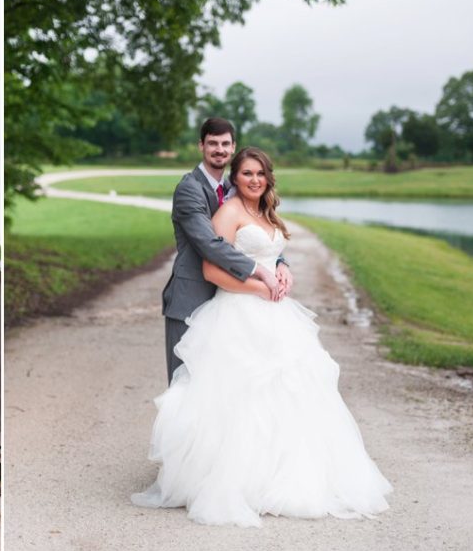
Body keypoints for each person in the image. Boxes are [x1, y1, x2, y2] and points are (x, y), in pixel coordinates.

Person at [133, 147, 392, 527]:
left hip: (277, 315)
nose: (255, 180)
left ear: (268, 179)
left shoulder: (267, 214)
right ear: (235, 178)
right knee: (239, 396)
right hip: (238, 313)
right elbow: (211, 270)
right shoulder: (229, 211)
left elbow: (273, 255)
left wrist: (284, 272)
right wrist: (256, 289)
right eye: (247, 173)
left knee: (291, 392)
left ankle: (284, 476)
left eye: (261, 174)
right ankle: (234, 480)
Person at [161, 117, 293, 382]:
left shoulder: (235, 188)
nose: (219, 149)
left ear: (233, 147)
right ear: (201, 146)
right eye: (212, 143)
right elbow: (210, 243)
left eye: (225, 143)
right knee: (187, 386)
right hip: (193, 297)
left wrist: (280, 262)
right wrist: (259, 272)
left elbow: (254, 233)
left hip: (233, 303)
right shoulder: (189, 189)